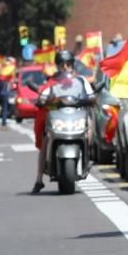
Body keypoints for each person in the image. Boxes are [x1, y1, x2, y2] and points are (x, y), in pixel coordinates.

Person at [31, 50, 93, 194]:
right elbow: (43, 95)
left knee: (89, 131)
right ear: (58, 66)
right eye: (62, 64)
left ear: (72, 64)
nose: (66, 67)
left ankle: (88, 158)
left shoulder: (81, 80)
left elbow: (91, 95)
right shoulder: (52, 82)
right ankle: (39, 179)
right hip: (58, 117)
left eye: (68, 64)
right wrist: (42, 100)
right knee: (45, 141)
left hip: (77, 116)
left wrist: (90, 98)